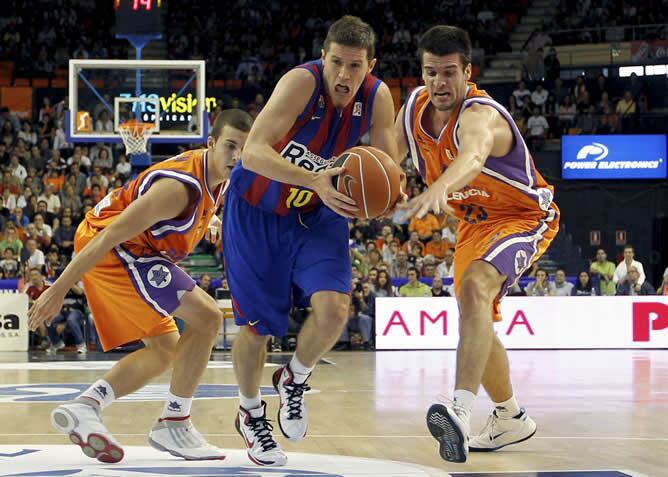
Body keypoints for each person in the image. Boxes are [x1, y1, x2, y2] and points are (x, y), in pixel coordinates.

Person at [28, 109, 253, 463]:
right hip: (112, 248)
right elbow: (111, 234)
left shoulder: (219, 176)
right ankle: (174, 423)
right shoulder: (176, 191)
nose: (237, 156)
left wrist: (212, 219)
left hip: (131, 249)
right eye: (230, 146)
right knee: (208, 318)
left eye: (244, 148)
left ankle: (87, 406)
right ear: (211, 144)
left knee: (166, 349)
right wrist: (58, 288)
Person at [221, 16, 398, 467]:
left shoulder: (377, 98)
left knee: (336, 308)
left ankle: (294, 378)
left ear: (369, 66)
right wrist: (313, 179)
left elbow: (388, 169)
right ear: (324, 58)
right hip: (257, 210)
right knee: (256, 330)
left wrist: (380, 195)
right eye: (336, 62)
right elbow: (254, 151)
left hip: (316, 212)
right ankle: (249, 412)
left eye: (354, 66)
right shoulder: (301, 83)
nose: (343, 75)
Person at [395, 25, 559, 463]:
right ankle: (510, 416)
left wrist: (439, 189)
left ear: (468, 72)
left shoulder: (479, 114)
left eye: (449, 73)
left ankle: (459, 411)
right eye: (431, 73)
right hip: (474, 224)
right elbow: (384, 156)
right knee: (474, 311)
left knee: (474, 289)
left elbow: (472, 156)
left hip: (523, 216)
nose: (439, 83)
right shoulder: (412, 108)